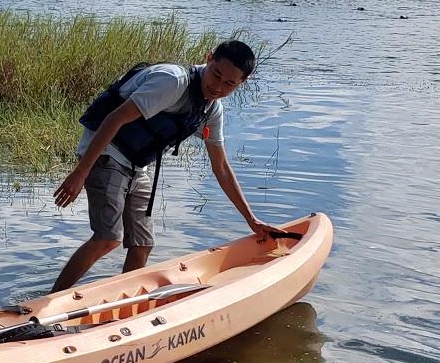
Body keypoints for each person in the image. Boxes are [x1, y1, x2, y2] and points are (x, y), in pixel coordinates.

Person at [51, 39, 283, 291]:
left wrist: (252, 220)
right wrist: (81, 172)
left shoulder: (212, 110)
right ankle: (43, 306)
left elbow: (221, 167)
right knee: (108, 239)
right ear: (209, 57)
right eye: (216, 75)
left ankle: (128, 307)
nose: (217, 87)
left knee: (142, 244)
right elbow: (115, 118)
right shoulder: (173, 81)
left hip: (136, 165)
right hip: (105, 152)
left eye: (229, 84)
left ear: (242, 83)